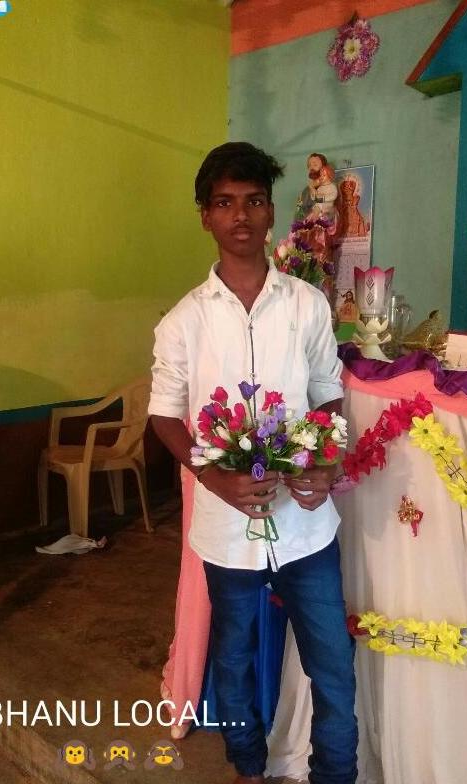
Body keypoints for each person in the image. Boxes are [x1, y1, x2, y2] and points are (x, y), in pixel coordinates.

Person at [148, 141, 358, 784]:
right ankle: (248, 769)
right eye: (224, 203)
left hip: (306, 526)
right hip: (226, 530)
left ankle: (336, 773)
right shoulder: (183, 321)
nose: (240, 215)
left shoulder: (307, 304)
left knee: (332, 664)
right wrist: (213, 477)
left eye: (254, 201)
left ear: (270, 212)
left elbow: (327, 391)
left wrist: (325, 458)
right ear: (205, 216)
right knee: (233, 656)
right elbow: (164, 414)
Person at [296, 152, 339, 225]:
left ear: (324, 167)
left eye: (315, 165)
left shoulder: (332, 186)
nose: (311, 168)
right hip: (308, 225)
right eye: (309, 165)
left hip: (326, 221)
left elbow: (333, 203)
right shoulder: (306, 191)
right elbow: (299, 211)